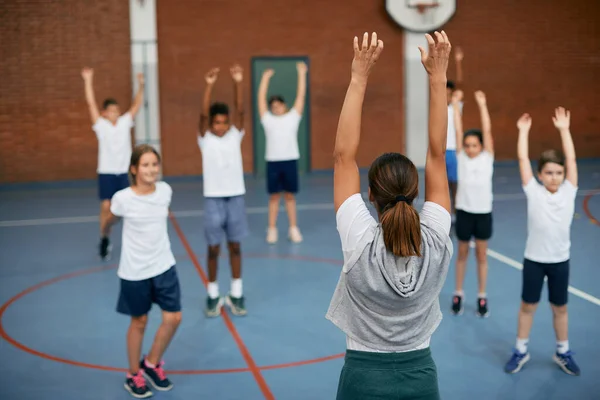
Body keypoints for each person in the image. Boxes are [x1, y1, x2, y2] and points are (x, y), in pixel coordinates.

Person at [326, 31, 454, 400]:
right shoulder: (433, 239)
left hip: (364, 379)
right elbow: (436, 154)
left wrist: (359, 78)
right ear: (416, 194)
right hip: (420, 378)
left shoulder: (360, 241)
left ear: (370, 195)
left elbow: (342, 157)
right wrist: (437, 78)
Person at [504, 108, 580, 376]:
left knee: (560, 307)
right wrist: (523, 132)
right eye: (549, 173)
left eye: (558, 173)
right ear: (539, 175)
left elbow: (571, 159)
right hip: (534, 260)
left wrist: (563, 130)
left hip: (560, 261)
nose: (554, 177)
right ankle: (520, 350)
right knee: (528, 306)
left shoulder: (569, 190)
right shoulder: (533, 191)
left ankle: (563, 350)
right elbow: (523, 158)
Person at [107, 144, 182, 398]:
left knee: (174, 318)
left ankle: (151, 363)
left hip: (163, 266)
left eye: (154, 164)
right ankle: (133, 374)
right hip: (135, 271)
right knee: (139, 322)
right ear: (134, 169)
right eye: (146, 165)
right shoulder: (122, 199)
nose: (151, 170)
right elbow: (111, 217)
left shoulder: (165, 191)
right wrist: (105, 234)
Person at [197, 65, 248, 317]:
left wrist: (238, 82)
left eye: (224, 123)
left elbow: (240, 110)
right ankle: (212, 293)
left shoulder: (234, 136)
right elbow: (203, 116)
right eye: (216, 123)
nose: (220, 126)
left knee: (235, 246)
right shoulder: (205, 139)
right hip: (213, 200)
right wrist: (209, 84)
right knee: (213, 248)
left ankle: (237, 293)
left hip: (235, 198)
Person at [81, 67, 145, 260]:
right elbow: (90, 103)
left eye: (117, 110)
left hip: (124, 173)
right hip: (107, 172)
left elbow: (136, 105)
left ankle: (135, 242)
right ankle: (104, 238)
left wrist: (141, 85)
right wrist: (88, 80)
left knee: (130, 207)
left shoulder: (125, 122)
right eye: (111, 111)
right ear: (104, 113)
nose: (115, 114)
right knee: (106, 208)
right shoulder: (101, 126)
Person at [450, 90, 494, 317]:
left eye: (474, 145)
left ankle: (482, 295)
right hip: (465, 212)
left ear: (482, 146)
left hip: (483, 213)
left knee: (482, 256)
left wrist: (482, 104)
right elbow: (458, 129)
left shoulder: (488, 158)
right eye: (466, 145)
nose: (469, 148)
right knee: (462, 253)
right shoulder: (461, 158)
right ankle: (458, 292)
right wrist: (456, 106)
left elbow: (487, 130)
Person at [257, 62, 308, 244]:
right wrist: (265, 78)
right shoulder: (268, 120)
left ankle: (293, 228)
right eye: (273, 106)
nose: (276, 108)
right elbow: (261, 100)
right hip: (273, 162)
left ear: (284, 106)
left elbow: (301, 96)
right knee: (273, 197)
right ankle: (272, 229)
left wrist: (302, 73)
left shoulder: (293, 118)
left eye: (279, 105)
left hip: (290, 161)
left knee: (289, 196)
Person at [445, 47, 464, 222]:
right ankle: (446, 213)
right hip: (442, 150)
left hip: (453, 151)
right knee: (442, 184)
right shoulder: (439, 108)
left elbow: (460, 85)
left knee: (454, 183)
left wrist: (458, 62)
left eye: (450, 94)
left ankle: (457, 214)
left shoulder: (457, 107)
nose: (447, 96)